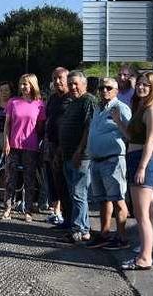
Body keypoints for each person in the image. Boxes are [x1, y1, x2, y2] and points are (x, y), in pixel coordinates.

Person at [113, 71, 153, 270]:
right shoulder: (141, 106)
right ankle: (146, 253)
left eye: (146, 85)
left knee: (142, 215)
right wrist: (118, 121)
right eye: (140, 84)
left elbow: (150, 141)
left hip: (144, 162)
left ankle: (144, 258)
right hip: (135, 157)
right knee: (148, 214)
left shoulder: (152, 109)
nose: (141, 87)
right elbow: (131, 137)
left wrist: (141, 166)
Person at [84, 78, 131, 250]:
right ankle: (104, 234)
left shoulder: (121, 108)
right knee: (102, 200)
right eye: (101, 87)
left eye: (108, 88)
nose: (104, 90)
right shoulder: (98, 108)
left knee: (118, 199)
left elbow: (130, 133)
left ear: (116, 90)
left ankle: (122, 237)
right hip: (96, 160)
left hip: (113, 160)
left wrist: (118, 121)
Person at [57, 70, 96, 243]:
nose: (72, 87)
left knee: (79, 194)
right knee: (75, 193)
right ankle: (82, 228)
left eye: (76, 83)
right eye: (70, 83)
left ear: (84, 84)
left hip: (81, 157)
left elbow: (89, 128)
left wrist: (79, 151)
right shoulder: (74, 102)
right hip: (67, 154)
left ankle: (79, 230)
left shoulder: (88, 101)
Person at [0, 74, 45, 221]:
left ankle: (28, 210)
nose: (22, 87)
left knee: (29, 179)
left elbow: (40, 127)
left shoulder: (39, 104)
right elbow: (7, 124)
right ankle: (7, 208)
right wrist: (6, 141)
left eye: (25, 84)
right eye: (21, 84)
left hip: (30, 147)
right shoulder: (13, 102)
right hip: (13, 145)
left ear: (32, 85)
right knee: (10, 178)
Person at [44, 67, 71, 227]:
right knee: (57, 185)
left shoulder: (73, 98)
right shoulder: (53, 98)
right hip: (52, 146)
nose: (57, 81)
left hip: (67, 148)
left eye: (60, 78)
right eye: (54, 78)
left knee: (69, 187)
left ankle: (76, 223)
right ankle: (65, 220)